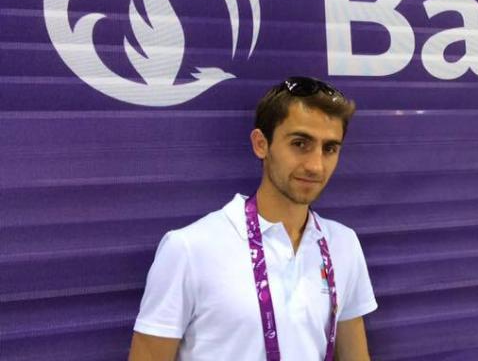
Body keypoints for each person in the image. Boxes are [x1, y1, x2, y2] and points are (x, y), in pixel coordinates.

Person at [128, 77, 377, 361]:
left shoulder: (343, 243)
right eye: (300, 143)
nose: (316, 166)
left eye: (329, 148)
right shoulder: (189, 249)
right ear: (261, 144)